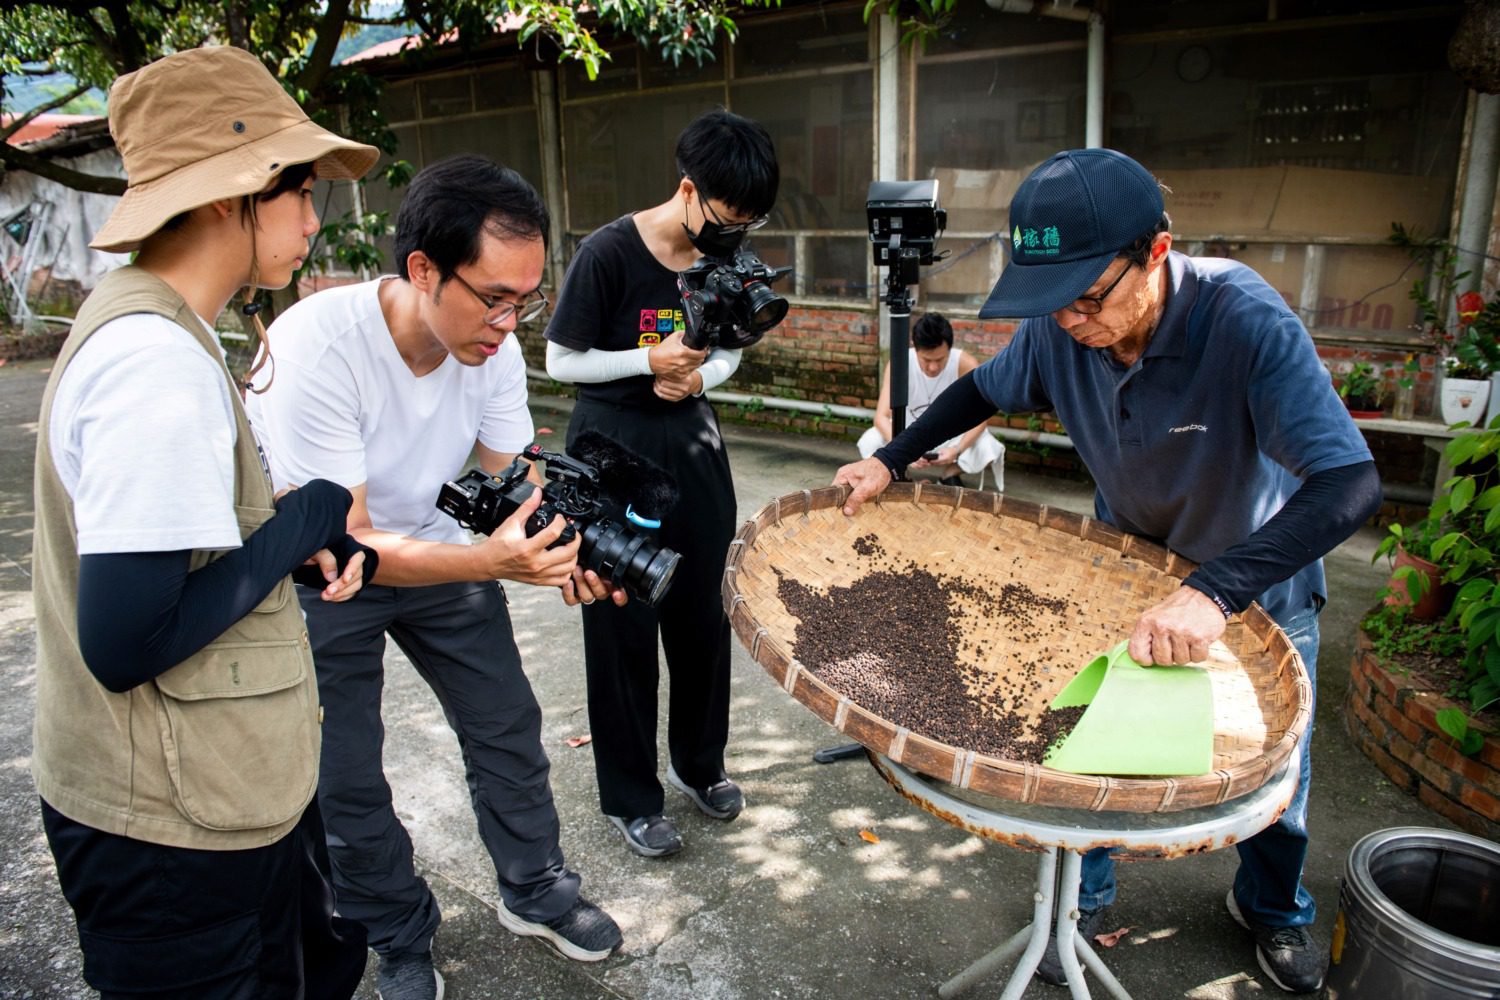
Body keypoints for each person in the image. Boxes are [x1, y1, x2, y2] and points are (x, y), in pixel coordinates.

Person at [834, 148, 1382, 995]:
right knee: (1089, 749)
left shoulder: (1244, 322)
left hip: (1254, 592)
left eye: (1091, 297)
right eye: (1055, 303)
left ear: (1155, 254)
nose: (1073, 322)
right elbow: (977, 393)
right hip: (1120, 579)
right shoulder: (1063, 330)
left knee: (1278, 781)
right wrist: (893, 460)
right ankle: (1080, 902)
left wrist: (1213, 591)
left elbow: (1350, 481)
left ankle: (1273, 910)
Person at [31, 46, 379, 999]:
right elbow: (126, 639)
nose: (314, 218)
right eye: (300, 190)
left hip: (214, 804)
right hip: (169, 843)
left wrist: (285, 550)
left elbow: (183, 561)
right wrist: (304, 510)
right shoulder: (156, 365)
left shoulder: (159, 330)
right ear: (235, 194)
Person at [245, 154, 624, 1000]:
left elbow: (513, 476)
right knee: (344, 772)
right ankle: (396, 931)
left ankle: (536, 890)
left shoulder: (493, 349)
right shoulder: (318, 349)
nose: (509, 323)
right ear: (422, 269)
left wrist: (568, 549)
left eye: (525, 300)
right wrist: (491, 561)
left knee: (506, 727)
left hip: (444, 549)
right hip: (325, 574)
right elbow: (346, 543)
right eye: (494, 298)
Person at [542, 109, 779, 858]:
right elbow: (561, 363)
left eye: (750, 223)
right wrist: (649, 363)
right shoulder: (608, 255)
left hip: (693, 443)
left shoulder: (730, 255)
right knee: (621, 624)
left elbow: (737, 346)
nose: (735, 235)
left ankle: (699, 765)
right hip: (613, 450)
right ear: (688, 190)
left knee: (706, 614)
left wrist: (702, 374)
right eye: (727, 218)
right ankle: (632, 796)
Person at [856, 311, 1005, 489]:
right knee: (870, 441)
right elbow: (881, 416)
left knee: (988, 447)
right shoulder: (901, 362)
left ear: (950, 348)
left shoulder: (965, 362)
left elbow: (981, 418)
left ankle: (950, 473)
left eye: (940, 359)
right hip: (909, 432)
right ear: (915, 348)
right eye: (926, 360)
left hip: (949, 432)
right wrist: (904, 451)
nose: (933, 367)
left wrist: (957, 450)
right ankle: (904, 477)